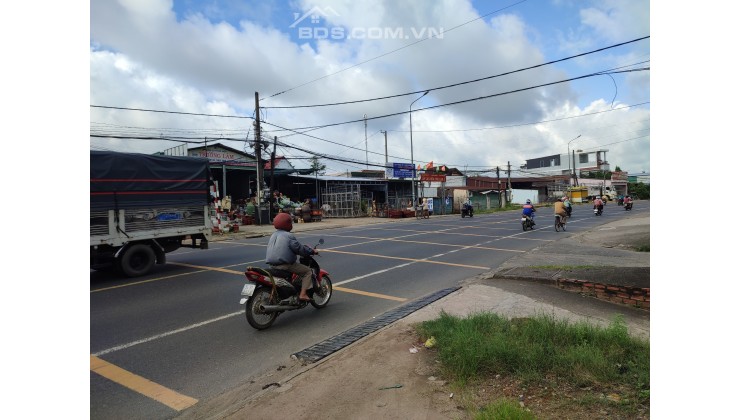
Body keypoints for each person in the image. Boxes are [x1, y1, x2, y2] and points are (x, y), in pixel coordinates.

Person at [265, 212, 318, 301]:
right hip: (285, 265)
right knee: (308, 272)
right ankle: (303, 294)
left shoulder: (273, 235)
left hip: (272, 265)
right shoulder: (289, 236)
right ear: (287, 224)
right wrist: (312, 251)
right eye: (290, 222)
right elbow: (300, 249)